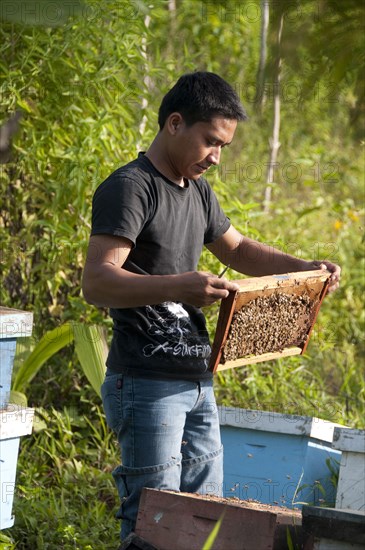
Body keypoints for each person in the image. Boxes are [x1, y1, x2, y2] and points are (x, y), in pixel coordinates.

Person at [82, 71, 341, 540]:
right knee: (154, 521)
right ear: (175, 124)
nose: (217, 157)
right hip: (146, 382)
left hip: (198, 382)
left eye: (224, 146)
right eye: (210, 142)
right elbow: (97, 282)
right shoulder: (131, 187)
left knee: (205, 521)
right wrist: (178, 286)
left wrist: (304, 268)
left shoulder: (197, 190)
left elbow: (239, 251)